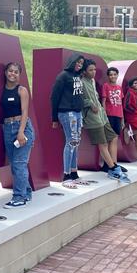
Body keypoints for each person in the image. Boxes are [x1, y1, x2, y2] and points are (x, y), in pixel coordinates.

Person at [81, 60, 130, 183]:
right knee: (102, 144)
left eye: (94, 69)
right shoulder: (81, 82)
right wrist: (91, 104)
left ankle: (113, 164)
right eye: (90, 70)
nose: (93, 72)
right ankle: (113, 169)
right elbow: (80, 98)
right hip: (93, 118)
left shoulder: (91, 81)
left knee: (113, 137)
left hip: (103, 117)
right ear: (84, 71)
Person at [50, 53, 90, 189]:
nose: (79, 65)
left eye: (81, 63)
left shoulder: (77, 76)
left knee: (76, 142)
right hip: (67, 113)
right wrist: (54, 118)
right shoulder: (63, 76)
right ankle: (66, 176)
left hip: (77, 113)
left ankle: (74, 174)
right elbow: (54, 97)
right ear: (72, 62)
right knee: (71, 141)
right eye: (77, 62)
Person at [0, 62, 35, 208]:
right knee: (15, 164)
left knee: (20, 164)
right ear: (6, 72)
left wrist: (21, 132)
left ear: (19, 75)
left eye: (16, 72)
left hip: (22, 128)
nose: (12, 74)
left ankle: (19, 197)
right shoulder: (1, 91)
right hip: (7, 128)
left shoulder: (22, 90)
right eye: (10, 71)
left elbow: (25, 113)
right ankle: (26, 192)